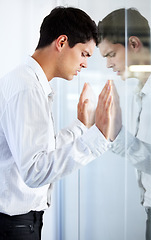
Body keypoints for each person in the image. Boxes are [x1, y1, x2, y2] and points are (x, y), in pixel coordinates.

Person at [0, 6, 114, 239]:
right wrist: (98, 137)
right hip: (16, 227)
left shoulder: (26, 81)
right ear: (62, 42)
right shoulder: (27, 89)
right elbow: (34, 171)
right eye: (84, 54)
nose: (85, 64)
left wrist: (81, 126)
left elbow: (39, 152)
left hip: (18, 224)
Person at [97, 7, 151, 240]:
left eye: (110, 55)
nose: (108, 65)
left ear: (133, 43)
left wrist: (119, 135)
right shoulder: (142, 89)